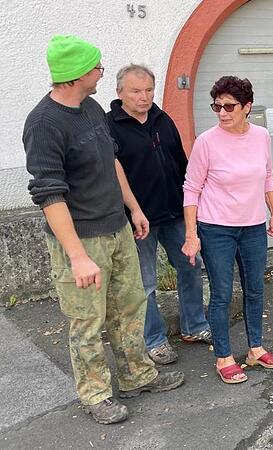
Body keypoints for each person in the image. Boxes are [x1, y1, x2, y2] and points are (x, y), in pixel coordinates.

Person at [23, 35, 184, 425]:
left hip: (118, 228)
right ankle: (95, 394)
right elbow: (49, 194)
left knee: (129, 307)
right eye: (96, 66)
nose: (100, 71)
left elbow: (111, 160)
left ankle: (137, 375)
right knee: (87, 323)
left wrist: (134, 207)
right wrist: (77, 256)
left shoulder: (92, 108)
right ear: (77, 74)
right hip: (82, 240)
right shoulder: (44, 123)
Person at [182, 75, 273, 384]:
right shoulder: (207, 142)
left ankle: (255, 348)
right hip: (217, 229)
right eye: (217, 106)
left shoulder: (261, 136)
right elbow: (191, 189)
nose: (223, 113)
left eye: (229, 106)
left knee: (255, 288)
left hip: (253, 226)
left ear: (247, 107)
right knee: (222, 293)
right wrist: (192, 235)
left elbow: (266, 175)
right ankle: (224, 356)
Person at [107, 64, 211, 366]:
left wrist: (193, 202)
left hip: (174, 212)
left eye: (149, 90)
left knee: (191, 265)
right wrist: (131, 210)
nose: (144, 97)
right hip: (138, 219)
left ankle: (194, 325)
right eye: (136, 91)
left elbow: (181, 163)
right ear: (120, 93)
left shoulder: (162, 119)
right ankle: (154, 340)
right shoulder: (109, 125)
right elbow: (112, 175)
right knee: (145, 282)